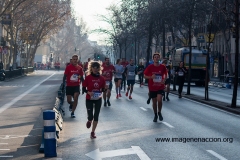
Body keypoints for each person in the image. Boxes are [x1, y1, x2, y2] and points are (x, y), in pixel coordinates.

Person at [82, 61, 106, 139]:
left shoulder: (102, 78)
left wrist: (105, 89)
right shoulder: (88, 77)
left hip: (98, 99)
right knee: (90, 116)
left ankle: (93, 132)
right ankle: (89, 120)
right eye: (94, 68)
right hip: (89, 98)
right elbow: (83, 88)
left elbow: (103, 89)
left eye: (97, 68)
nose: (95, 69)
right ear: (91, 68)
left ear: (99, 69)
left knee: (96, 116)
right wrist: (88, 92)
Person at [144, 53, 167, 122]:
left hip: (160, 86)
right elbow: (145, 75)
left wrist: (164, 80)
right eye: (155, 57)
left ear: (159, 58)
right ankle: (155, 114)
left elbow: (166, 74)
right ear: (153, 59)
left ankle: (159, 112)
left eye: (157, 57)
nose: (156, 58)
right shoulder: (150, 67)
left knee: (159, 100)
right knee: (154, 102)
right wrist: (151, 77)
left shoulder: (162, 67)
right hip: (152, 87)